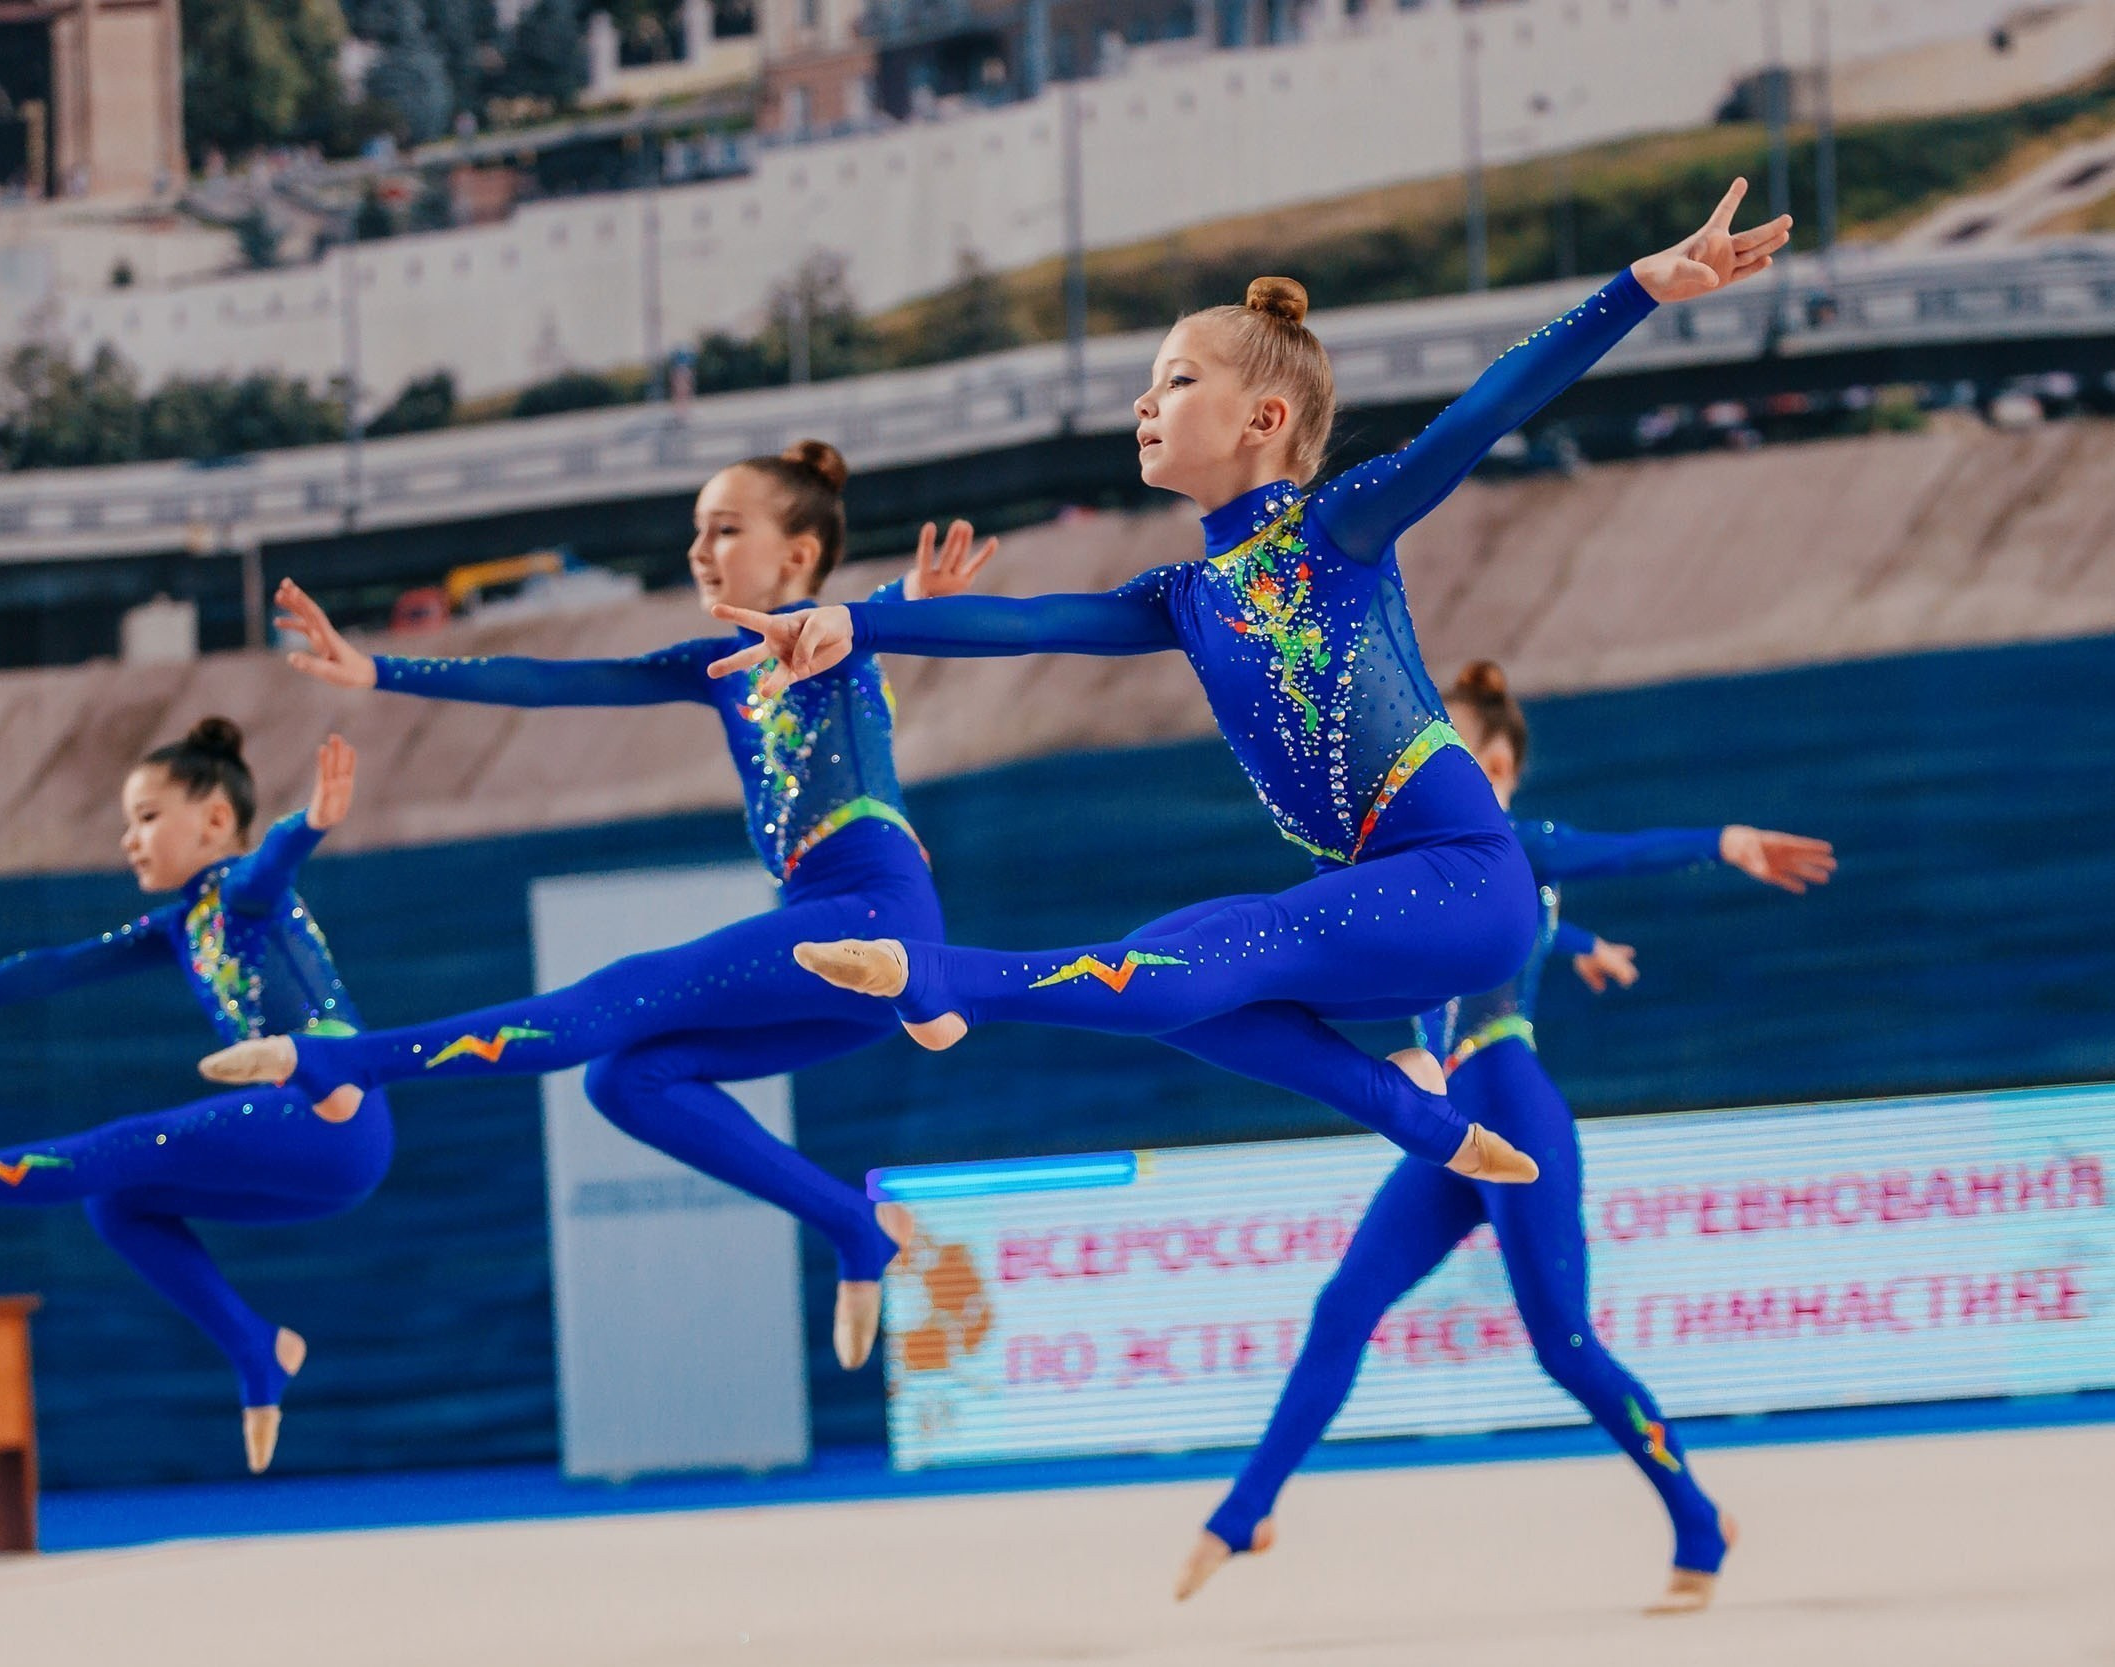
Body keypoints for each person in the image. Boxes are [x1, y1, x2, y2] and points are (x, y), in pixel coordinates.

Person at [709, 180, 1793, 1186]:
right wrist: (853, 621)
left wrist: (1636, 290)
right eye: (1149, 385)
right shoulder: (1183, 596)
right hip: (1385, 930)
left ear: (1263, 420)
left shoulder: (1339, 526)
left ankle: (944, 979)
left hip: (1467, 887)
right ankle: (1410, 1108)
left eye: (1176, 381)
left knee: (1206, 955)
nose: (1145, 403)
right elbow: (1030, 620)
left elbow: (1483, 414)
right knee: (1177, 975)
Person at [199, 442, 997, 1371]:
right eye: (696, 530)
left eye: (724, 530)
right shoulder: (715, 665)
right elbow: (551, 681)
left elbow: (882, 615)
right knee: (625, 1081)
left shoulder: (838, 635)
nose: (699, 550)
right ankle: (857, 1227)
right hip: (831, 949)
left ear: (798, 555)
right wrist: (378, 671)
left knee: (625, 992)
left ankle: (349, 1061)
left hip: (874, 920)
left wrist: (912, 597)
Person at [1176, 659, 1834, 1607]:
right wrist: (1579, 943)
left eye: (1425, 746)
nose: (1403, 761)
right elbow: (1512, 924)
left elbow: (1614, 853)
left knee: (1564, 1344)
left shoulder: (1514, 845)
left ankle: (1698, 1517)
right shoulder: (1429, 867)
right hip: (1450, 1129)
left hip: (1516, 1114)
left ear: (1488, 765)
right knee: (1344, 1303)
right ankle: (1248, 1509)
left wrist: (1724, 842)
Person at [0, 725, 385, 1474]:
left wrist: (312, 823)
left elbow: (271, 862)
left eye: (146, 817)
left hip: (334, 1119)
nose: (128, 839)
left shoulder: (242, 892)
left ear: (213, 819)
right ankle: (257, 1347)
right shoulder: (182, 924)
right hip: (316, 1149)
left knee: (128, 1145)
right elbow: (54, 966)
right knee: (115, 1199)